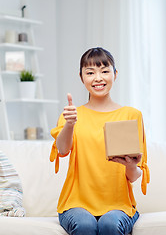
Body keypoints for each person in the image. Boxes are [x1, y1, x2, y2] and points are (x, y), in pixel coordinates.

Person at [49, 47, 150, 235]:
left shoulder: (131, 115)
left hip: (119, 205)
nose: (98, 78)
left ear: (115, 74)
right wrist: (69, 124)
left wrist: (130, 164)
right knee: (85, 224)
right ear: (81, 77)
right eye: (90, 72)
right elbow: (62, 150)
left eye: (105, 71)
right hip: (75, 204)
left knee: (110, 224)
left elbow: (135, 175)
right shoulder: (71, 114)